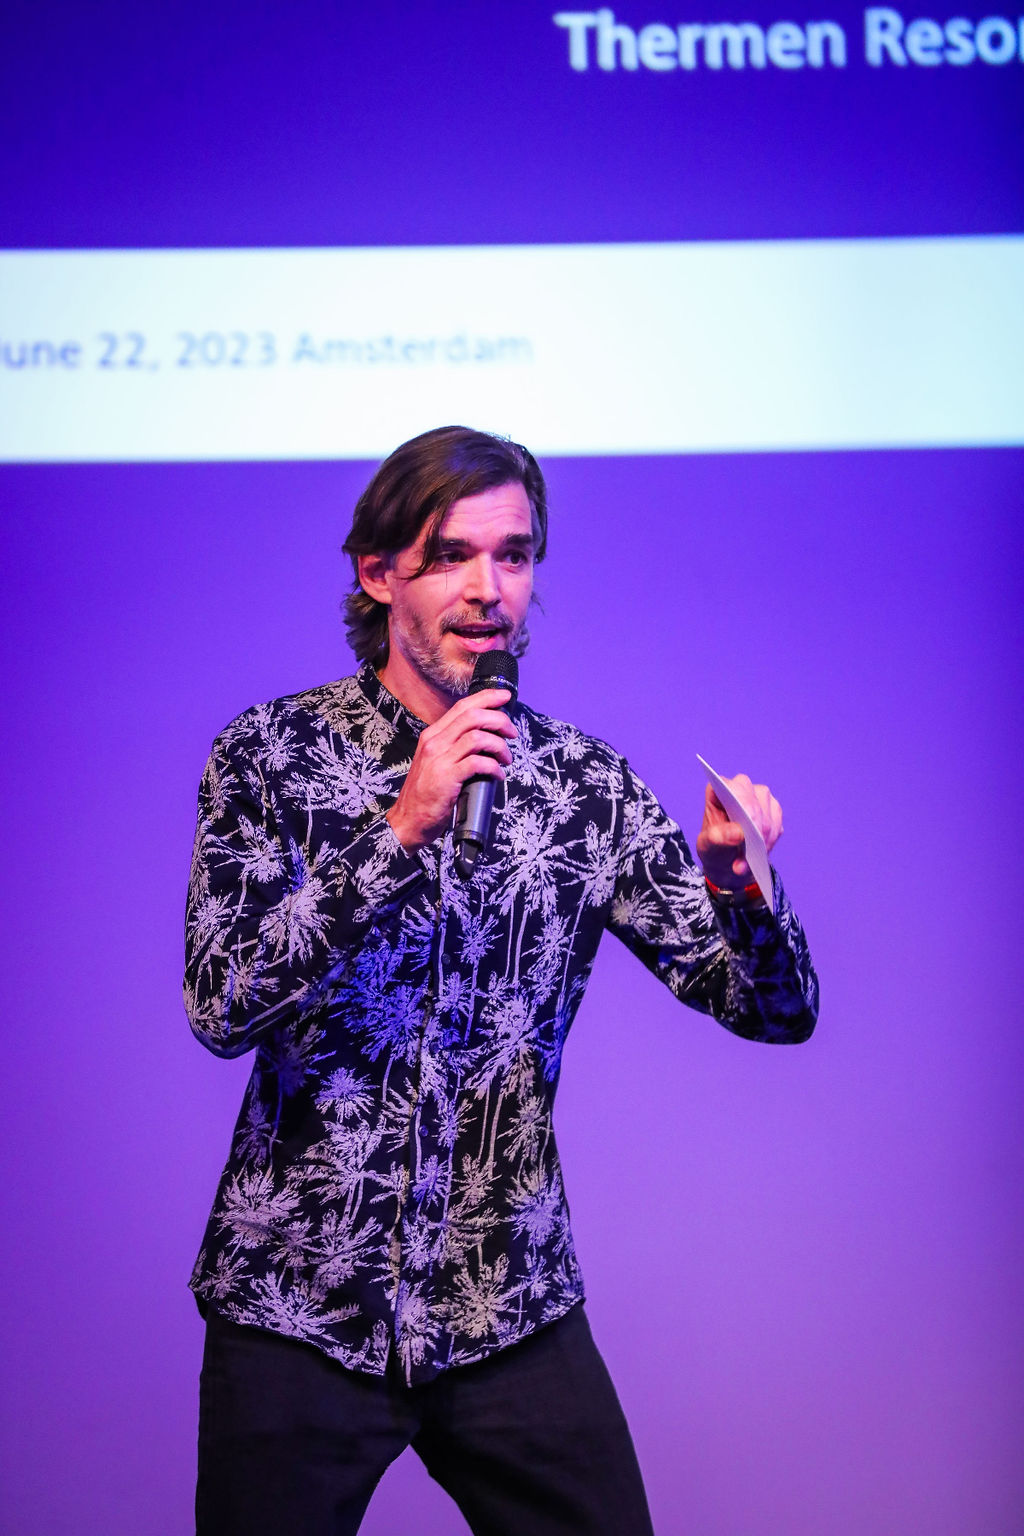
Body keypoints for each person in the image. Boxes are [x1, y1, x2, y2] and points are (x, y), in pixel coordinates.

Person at [185, 425, 818, 1535]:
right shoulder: (270, 754)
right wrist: (399, 828)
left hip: (506, 1297)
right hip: (297, 1297)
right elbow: (220, 1002)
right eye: (451, 555)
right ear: (378, 573)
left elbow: (777, 1013)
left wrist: (740, 889)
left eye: (514, 555)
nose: (488, 590)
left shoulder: (583, 786)